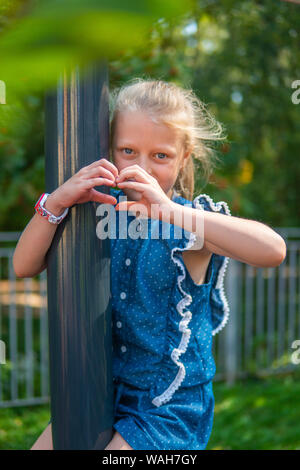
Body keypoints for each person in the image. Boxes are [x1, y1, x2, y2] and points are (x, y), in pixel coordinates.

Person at [14, 79, 286, 450]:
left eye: (160, 156)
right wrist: (58, 201)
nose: (142, 168)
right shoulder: (97, 208)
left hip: (168, 405)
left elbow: (272, 250)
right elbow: (23, 265)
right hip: (102, 394)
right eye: (128, 150)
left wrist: (171, 211)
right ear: (110, 148)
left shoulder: (188, 222)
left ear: (183, 158)